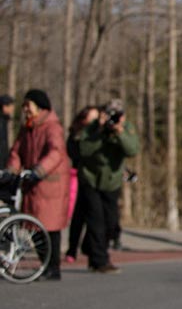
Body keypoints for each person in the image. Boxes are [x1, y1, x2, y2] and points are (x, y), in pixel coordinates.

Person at [6, 89, 71, 280]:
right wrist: (11, 170)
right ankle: (45, 264)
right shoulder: (27, 127)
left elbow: (56, 153)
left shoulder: (52, 127)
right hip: (32, 185)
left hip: (50, 185)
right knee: (34, 227)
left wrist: (39, 170)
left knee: (50, 228)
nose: (25, 109)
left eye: (28, 105)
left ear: (39, 106)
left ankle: (53, 267)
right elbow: (17, 152)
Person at [77, 99, 139, 274]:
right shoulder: (94, 127)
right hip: (91, 179)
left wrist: (119, 132)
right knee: (97, 221)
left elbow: (132, 149)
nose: (114, 119)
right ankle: (100, 261)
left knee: (111, 224)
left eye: (117, 115)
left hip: (112, 182)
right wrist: (99, 130)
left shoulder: (126, 128)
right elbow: (84, 149)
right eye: (110, 114)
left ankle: (90, 247)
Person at [65, 105, 100, 263]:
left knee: (95, 216)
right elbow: (73, 153)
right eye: (91, 118)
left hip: (95, 180)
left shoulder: (99, 133)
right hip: (78, 179)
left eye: (96, 118)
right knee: (78, 216)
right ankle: (72, 249)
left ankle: (88, 245)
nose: (93, 121)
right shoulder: (76, 135)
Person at [0, 94, 14, 166]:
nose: (12, 108)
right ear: (4, 107)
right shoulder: (1, 121)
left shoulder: (4, 120)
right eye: (11, 106)